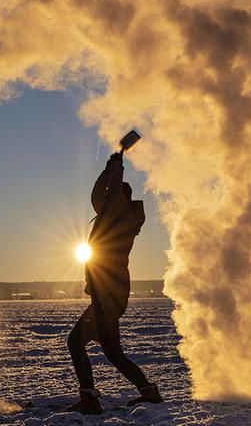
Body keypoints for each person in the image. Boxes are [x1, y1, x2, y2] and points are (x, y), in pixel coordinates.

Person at [66, 152, 162, 415]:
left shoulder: (120, 214)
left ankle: (89, 400)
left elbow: (109, 192)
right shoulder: (111, 214)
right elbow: (97, 194)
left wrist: (117, 163)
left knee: (75, 342)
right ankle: (149, 393)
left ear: (119, 197)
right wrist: (108, 168)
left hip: (107, 297)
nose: (106, 196)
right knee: (113, 353)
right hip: (108, 296)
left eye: (112, 193)